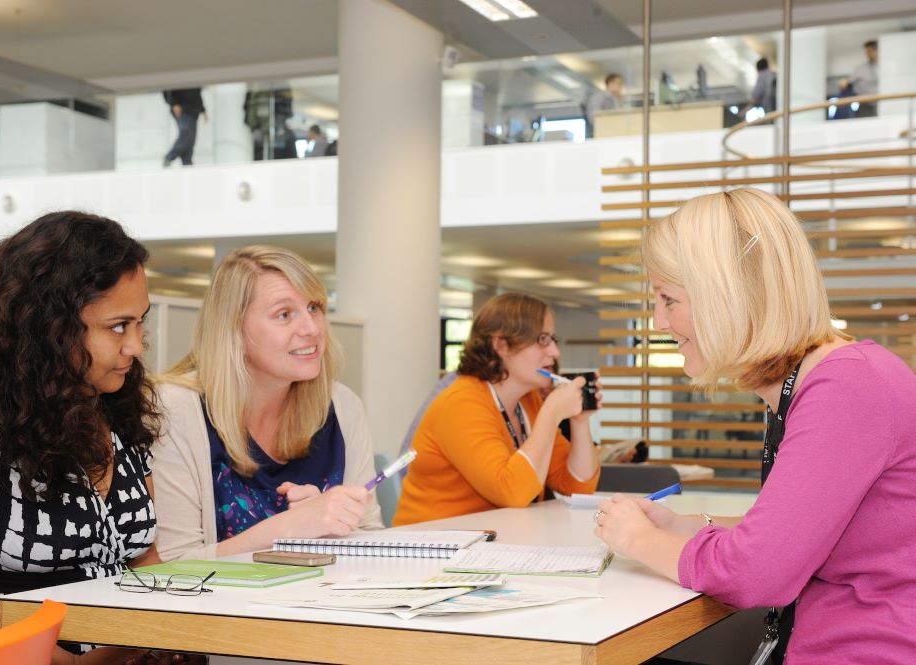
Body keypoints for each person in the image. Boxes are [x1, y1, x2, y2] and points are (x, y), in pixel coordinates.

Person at [594, 189, 916, 664]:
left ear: (726, 296)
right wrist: (686, 527)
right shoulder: (823, 381)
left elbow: (756, 572)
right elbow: (802, 532)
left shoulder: (849, 386)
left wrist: (638, 540)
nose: (659, 320)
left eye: (668, 299)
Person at [0, 212, 177, 663]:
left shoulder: (112, 395)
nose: (135, 347)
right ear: (49, 324)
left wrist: (177, 636)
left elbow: (140, 555)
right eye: (118, 326)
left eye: (141, 323)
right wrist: (66, 664)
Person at [152, 245, 381, 562]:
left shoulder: (342, 405)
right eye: (284, 315)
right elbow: (171, 565)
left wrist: (330, 530)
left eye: (314, 308)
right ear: (234, 329)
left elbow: (371, 535)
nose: (311, 329)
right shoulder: (174, 410)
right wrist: (289, 529)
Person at [393, 293, 601, 526]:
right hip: (431, 549)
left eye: (554, 339)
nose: (554, 352)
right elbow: (512, 492)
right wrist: (551, 414)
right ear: (501, 345)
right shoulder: (461, 404)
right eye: (542, 340)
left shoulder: (529, 400)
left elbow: (577, 486)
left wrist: (580, 421)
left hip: (491, 543)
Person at [163, 88, 206, 167]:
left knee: (190, 139)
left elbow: (197, 93)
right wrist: (174, 103)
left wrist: (203, 109)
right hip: (182, 108)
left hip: (194, 110)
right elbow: (167, 88)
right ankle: (169, 157)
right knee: (186, 133)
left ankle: (187, 163)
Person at [844, 40, 878, 118]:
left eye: (870, 51)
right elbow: (847, 82)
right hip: (864, 106)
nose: (867, 54)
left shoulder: (884, 67)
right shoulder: (860, 69)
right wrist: (844, 82)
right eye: (866, 52)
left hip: (881, 104)